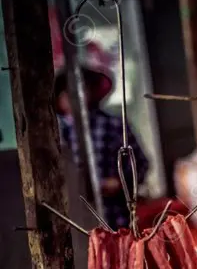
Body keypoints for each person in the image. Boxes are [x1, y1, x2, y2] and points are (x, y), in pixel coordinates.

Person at [54, 44, 150, 231]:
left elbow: (142, 164)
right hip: (71, 221)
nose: (76, 97)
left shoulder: (113, 125)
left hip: (114, 216)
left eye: (82, 89)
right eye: (68, 92)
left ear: (92, 91)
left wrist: (120, 181)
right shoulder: (54, 133)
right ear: (59, 98)